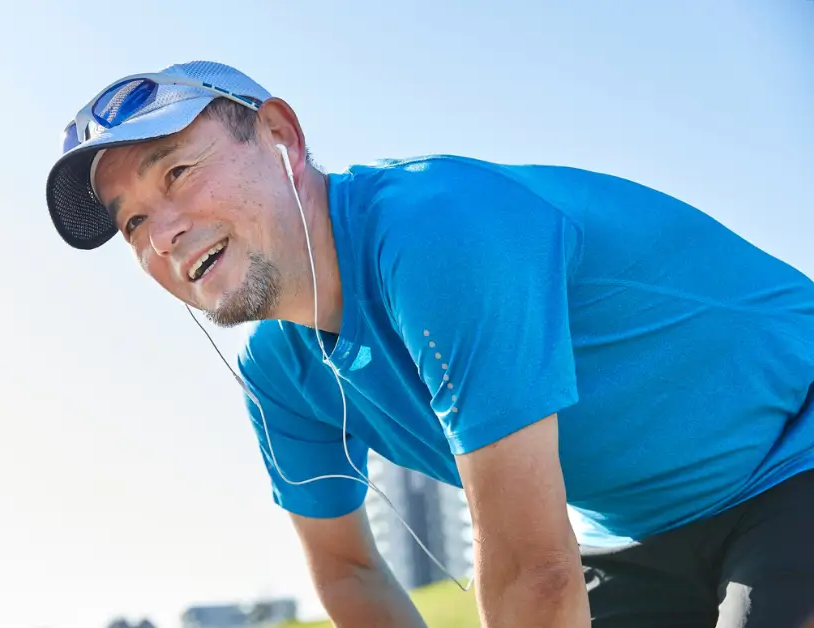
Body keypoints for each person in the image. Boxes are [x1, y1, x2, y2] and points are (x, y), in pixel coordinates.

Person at [44, 60, 814, 627]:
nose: (163, 234)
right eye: (133, 224)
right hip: (636, 535)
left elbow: (533, 575)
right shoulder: (277, 373)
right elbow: (348, 572)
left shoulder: (433, 227)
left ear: (280, 134)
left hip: (795, 448)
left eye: (176, 170)